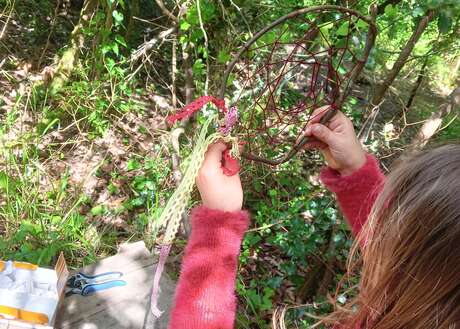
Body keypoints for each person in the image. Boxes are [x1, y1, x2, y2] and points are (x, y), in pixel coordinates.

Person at [167, 107, 460, 329]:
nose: (379, 228)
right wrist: (355, 171)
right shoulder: (424, 306)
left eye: (391, 216)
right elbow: (395, 250)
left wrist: (218, 228)